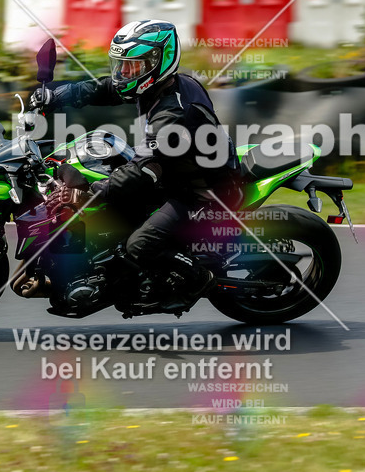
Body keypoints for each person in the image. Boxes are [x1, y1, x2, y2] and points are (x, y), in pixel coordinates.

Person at [30, 19, 240, 311]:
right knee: (115, 215)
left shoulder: (172, 114)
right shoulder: (156, 85)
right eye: (121, 65)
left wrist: (91, 191)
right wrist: (57, 96)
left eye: (132, 66)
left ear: (159, 62)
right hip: (177, 173)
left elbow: (144, 170)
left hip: (201, 191)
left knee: (137, 244)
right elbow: (106, 88)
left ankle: (197, 279)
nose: (123, 73)